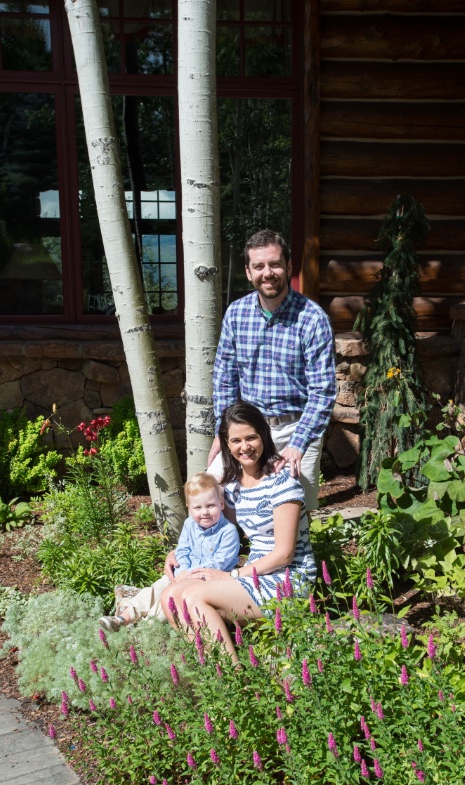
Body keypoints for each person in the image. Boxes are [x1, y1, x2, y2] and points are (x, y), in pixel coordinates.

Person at [162, 402, 316, 662]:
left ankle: (231, 676)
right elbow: (214, 526)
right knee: (171, 596)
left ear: (264, 436)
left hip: (288, 579)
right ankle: (213, 668)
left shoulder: (284, 483)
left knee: (195, 595)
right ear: (226, 444)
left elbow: (284, 555)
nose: (244, 447)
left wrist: (229, 575)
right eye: (236, 440)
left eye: (251, 437)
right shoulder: (233, 488)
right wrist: (178, 550)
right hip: (253, 574)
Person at [208, 229, 336, 511]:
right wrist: (224, 432)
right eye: (259, 266)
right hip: (247, 430)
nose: (268, 273)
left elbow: (323, 393)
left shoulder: (313, 319)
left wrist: (297, 445)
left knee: (296, 516)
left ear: (289, 267)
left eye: (275, 264)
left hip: (296, 428)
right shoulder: (236, 313)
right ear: (248, 271)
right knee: (213, 498)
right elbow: (224, 381)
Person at [98, 472, 239, 632]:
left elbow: (221, 562)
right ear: (189, 509)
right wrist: (183, 571)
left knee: (169, 598)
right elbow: (182, 550)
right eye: (198, 507)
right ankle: (124, 617)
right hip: (182, 574)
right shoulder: (189, 524)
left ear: (221, 504)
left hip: (207, 581)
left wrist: (189, 575)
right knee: (156, 588)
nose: (205, 512)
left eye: (210, 506)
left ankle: (145, 628)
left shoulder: (228, 531)